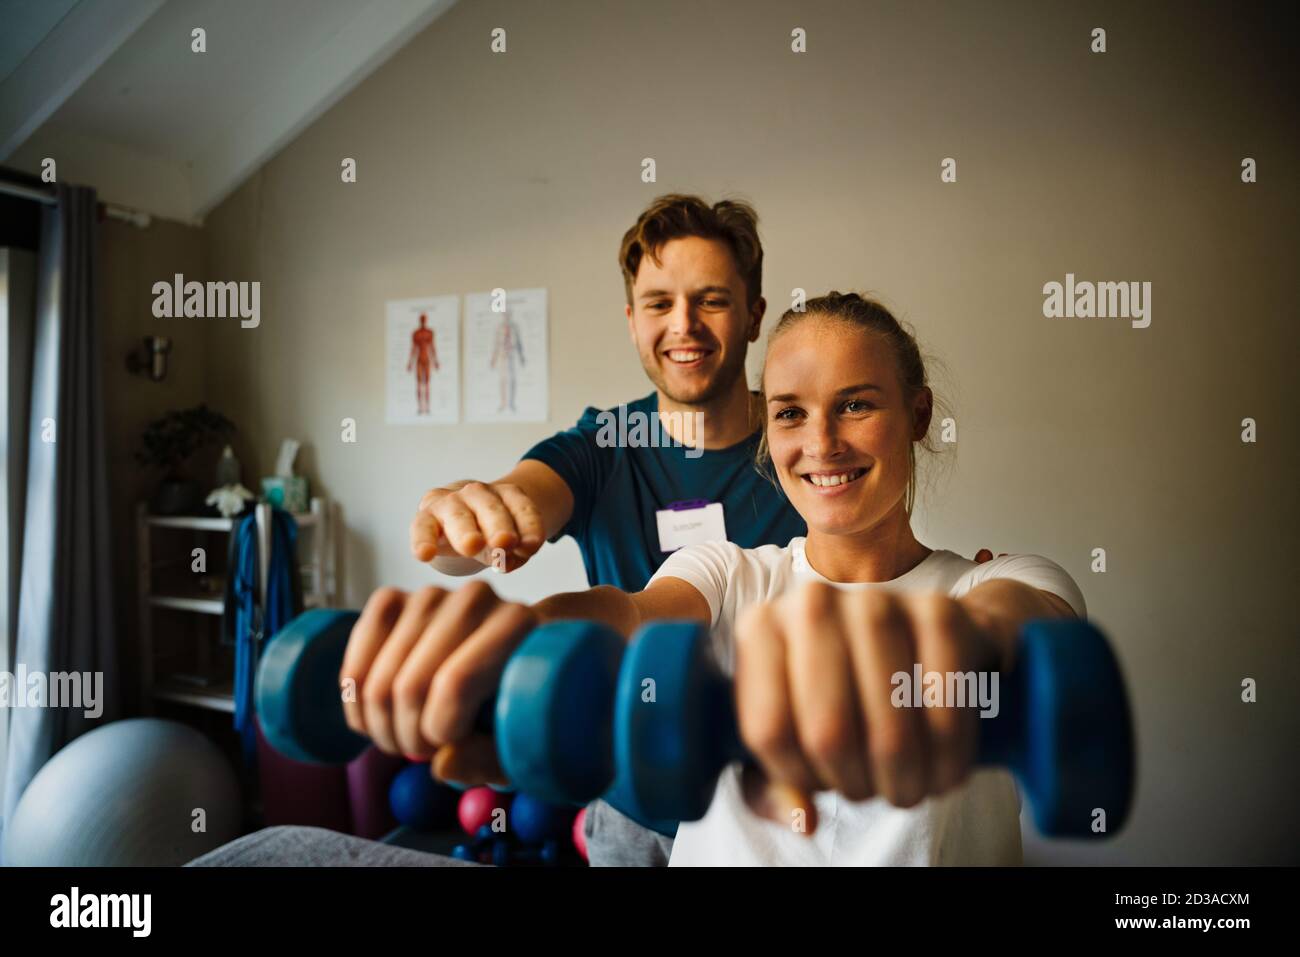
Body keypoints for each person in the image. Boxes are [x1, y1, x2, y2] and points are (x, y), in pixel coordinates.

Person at [345, 292, 1085, 865]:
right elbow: (628, 615)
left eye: (856, 404)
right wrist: (510, 643)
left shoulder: (1002, 578)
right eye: (791, 412)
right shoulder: (731, 573)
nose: (821, 442)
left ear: (918, 413)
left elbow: (1015, 632)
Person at [408, 195, 809, 864]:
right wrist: (472, 520)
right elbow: (522, 494)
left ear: (753, 315)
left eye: (711, 299)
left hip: (767, 812)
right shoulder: (601, 444)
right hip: (626, 808)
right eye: (658, 303)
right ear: (632, 321)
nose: (684, 325)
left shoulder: (806, 447)